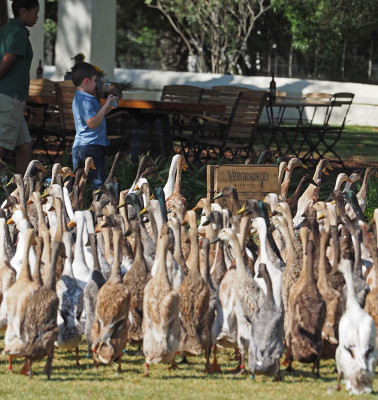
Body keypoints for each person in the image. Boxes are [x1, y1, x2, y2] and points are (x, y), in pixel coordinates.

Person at [0, 0, 39, 175]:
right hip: (10, 99)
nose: (37, 17)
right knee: (2, 145)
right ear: (23, 11)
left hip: (11, 99)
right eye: (35, 12)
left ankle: (23, 193)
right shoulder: (18, 33)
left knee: (24, 147)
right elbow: (4, 65)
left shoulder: (6, 29)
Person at [71, 61, 118, 190]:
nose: (96, 84)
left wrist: (107, 108)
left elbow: (97, 117)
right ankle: (97, 209)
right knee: (97, 183)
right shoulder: (84, 100)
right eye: (94, 80)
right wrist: (104, 106)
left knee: (78, 181)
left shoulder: (84, 98)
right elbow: (92, 123)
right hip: (91, 146)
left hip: (83, 146)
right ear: (86, 81)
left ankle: (75, 205)